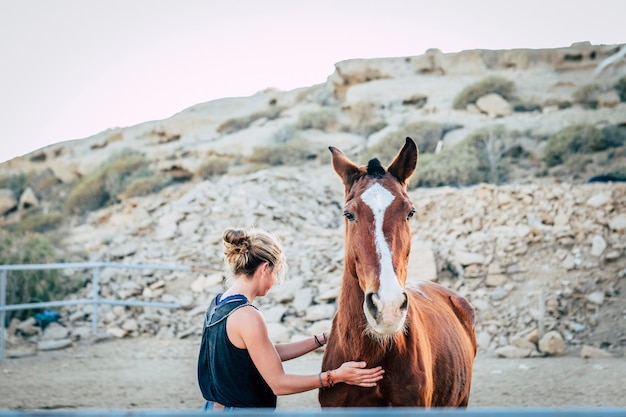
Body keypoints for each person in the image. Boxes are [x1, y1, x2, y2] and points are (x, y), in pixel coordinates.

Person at [197, 227, 384, 410]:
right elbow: (279, 383)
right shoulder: (247, 315)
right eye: (277, 272)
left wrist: (325, 337)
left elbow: (264, 354)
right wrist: (336, 376)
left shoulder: (219, 303)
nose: (275, 282)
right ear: (264, 268)